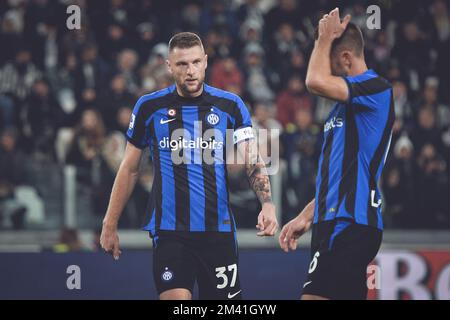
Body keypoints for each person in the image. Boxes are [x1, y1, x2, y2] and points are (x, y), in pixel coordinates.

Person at [100, 32, 278, 300]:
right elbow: (130, 168)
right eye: (182, 64)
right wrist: (109, 222)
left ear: (206, 61)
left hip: (218, 233)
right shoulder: (149, 107)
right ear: (169, 66)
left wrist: (267, 203)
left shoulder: (231, 105)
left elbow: (252, 159)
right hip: (171, 232)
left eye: (196, 62)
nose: (191, 71)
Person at [279, 8, 395, 300]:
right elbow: (338, 178)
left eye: (330, 61)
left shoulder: (377, 88)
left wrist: (323, 39)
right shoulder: (341, 110)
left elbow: (313, 81)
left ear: (345, 58)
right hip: (335, 221)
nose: (324, 69)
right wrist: (306, 216)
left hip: (350, 223)